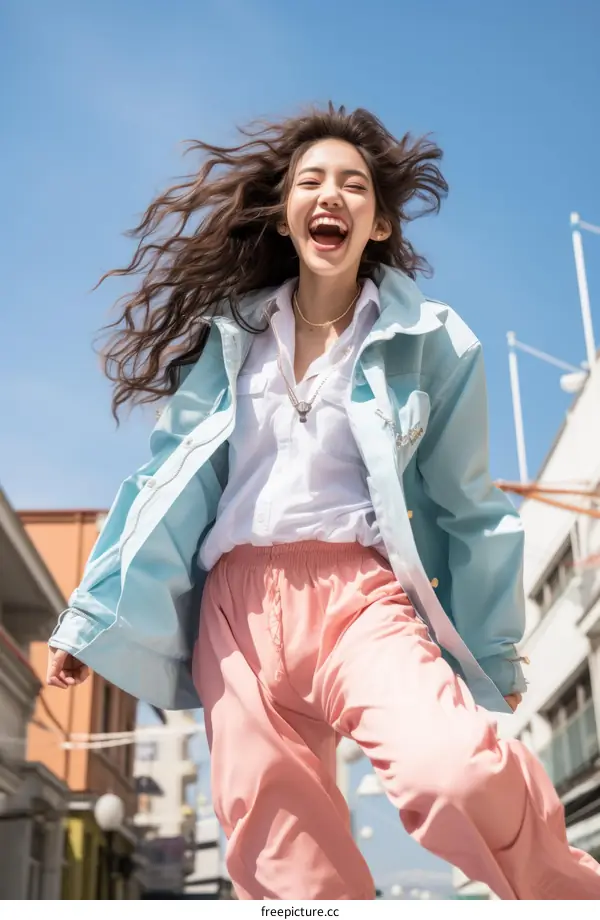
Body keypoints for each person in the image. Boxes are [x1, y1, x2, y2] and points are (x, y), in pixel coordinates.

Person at [46, 104, 600, 900]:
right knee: (289, 872)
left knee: (452, 772)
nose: (330, 194)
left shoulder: (432, 341)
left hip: (358, 600)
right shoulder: (231, 337)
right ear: (286, 214)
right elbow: (162, 478)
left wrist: (497, 645)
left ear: (378, 223)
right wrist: (89, 618)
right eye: (310, 181)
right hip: (235, 616)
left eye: (353, 185)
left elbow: (468, 503)